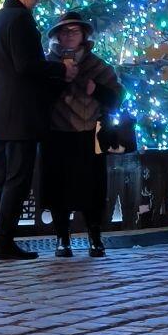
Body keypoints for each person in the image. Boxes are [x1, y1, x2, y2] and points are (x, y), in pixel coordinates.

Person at [0, 0, 68, 260]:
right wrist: (61, 69)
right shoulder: (20, 20)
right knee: (17, 179)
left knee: (0, 180)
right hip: (20, 116)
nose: (36, 1)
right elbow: (27, 66)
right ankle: (3, 241)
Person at [41, 13, 120, 256]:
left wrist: (95, 89)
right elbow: (36, 97)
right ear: (57, 36)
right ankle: (62, 238)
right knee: (58, 189)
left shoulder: (97, 65)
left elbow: (117, 97)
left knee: (93, 189)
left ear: (84, 35)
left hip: (89, 136)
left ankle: (95, 238)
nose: (69, 36)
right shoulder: (47, 65)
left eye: (74, 31)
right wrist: (60, 79)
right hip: (57, 135)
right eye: (64, 32)